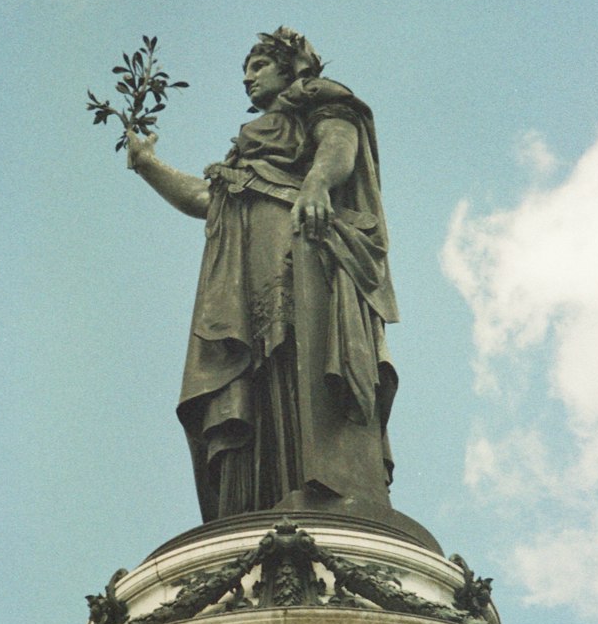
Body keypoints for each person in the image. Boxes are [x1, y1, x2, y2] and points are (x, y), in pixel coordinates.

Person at [127, 27, 399, 523]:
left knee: (299, 355)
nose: (249, 78)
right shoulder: (244, 158)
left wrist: (316, 183)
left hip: (298, 248)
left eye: (258, 66)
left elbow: (339, 145)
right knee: (251, 373)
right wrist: (148, 166)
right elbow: (204, 200)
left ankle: (320, 484)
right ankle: (257, 498)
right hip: (241, 270)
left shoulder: (319, 102)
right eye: (246, 71)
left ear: (288, 66)